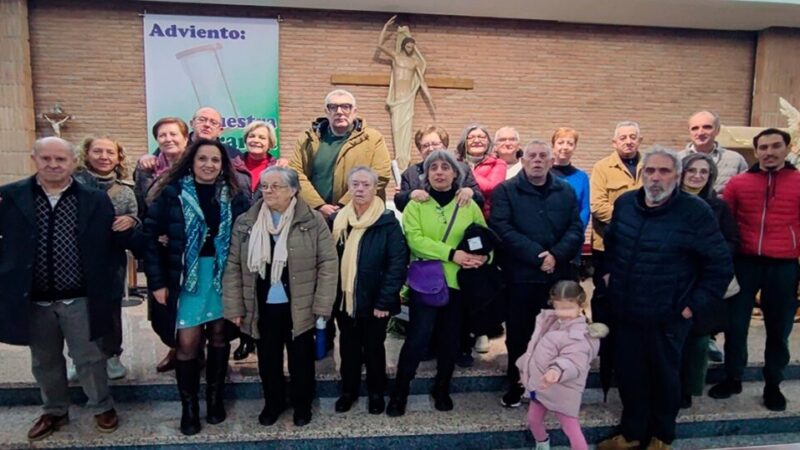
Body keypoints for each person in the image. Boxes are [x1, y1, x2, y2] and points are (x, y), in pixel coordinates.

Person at [597, 146, 733, 450]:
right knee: (630, 376)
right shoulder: (626, 203)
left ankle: (661, 437)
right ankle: (631, 434)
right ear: (643, 173)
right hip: (627, 310)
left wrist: (691, 307)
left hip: (669, 315)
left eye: (664, 171)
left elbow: (720, 266)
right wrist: (607, 277)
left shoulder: (695, 212)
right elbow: (613, 245)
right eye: (650, 170)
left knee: (665, 379)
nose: (656, 178)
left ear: (678, 175)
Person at [0, 137, 132, 441]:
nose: (53, 165)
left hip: (79, 296)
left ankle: (102, 405)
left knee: (89, 357)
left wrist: (133, 226)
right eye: (46, 158)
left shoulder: (93, 198)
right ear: (34, 159)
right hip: (34, 299)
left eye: (60, 159)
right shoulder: (11, 197)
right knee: (44, 360)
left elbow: (111, 238)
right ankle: (54, 410)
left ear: (73, 162)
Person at [143, 139, 250, 435]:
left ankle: (215, 400)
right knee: (187, 344)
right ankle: (188, 407)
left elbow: (247, 237)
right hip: (184, 277)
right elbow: (150, 238)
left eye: (215, 160)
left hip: (222, 276)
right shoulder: (172, 193)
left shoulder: (236, 195)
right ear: (191, 161)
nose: (209, 165)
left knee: (219, 337)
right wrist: (157, 283)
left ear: (223, 164)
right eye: (202, 158)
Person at [222, 166, 338, 427]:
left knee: (301, 359)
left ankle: (302, 404)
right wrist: (234, 306)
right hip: (262, 305)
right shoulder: (246, 221)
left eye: (276, 186)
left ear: (294, 190)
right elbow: (233, 267)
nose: (269, 191)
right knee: (268, 358)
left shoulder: (312, 220)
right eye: (264, 186)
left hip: (301, 303)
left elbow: (328, 263)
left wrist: (322, 305)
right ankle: (273, 402)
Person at [387, 150, 489, 417]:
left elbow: (484, 237)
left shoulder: (468, 204)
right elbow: (415, 240)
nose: (440, 172)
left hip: (459, 284)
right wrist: (452, 254)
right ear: (426, 174)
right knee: (418, 339)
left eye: (446, 167)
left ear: (456, 173)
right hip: (427, 284)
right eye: (434, 168)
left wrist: (482, 258)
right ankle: (400, 391)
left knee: (450, 340)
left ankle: (442, 388)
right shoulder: (416, 205)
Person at [708, 128, 800, 412]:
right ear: (756, 150)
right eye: (763, 147)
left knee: (779, 328)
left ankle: (773, 383)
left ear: (787, 148)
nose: (769, 152)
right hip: (745, 262)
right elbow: (726, 224)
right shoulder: (739, 183)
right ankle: (733, 376)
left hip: (784, 264)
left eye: (775, 146)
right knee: (736, 326)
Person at [489, 140, 584, 408]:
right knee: (520, 334)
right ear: (523, 160)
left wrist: (556, 255)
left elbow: (576, 228)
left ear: (551, 161)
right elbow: (501, 227)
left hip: (558, 275)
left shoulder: (564, 191)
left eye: (544, 156)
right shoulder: (505, 191)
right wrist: (537, 255)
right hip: (520, 276)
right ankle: (518, 384)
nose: (538, 160)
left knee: (556, 334)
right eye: (532, 156)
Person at [331, 167, 408, 414]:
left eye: (366, 184)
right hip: (345, 300)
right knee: (348, 347)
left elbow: (397, 263)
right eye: (355, 184)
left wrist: (384, 301)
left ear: (376, 188)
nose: (360, 189)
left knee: (374, 348)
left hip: (376, 301)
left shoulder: (387, 222)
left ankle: (376, 392)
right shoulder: (339, 220)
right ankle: (349, 391)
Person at [73, 135, 139, 381]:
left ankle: (112, 355)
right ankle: (79, 357)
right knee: (78, 310)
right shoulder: (73, 185)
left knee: (111, 308)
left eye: (110, 152)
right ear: (87, 154)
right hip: (76, 259)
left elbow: (136, 215)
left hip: (111, 259)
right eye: (98, 151)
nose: (104, 157)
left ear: (118, 157)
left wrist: (132, 220)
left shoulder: (125, 190)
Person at [677, 153, 739, 409]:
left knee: (698, 339)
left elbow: (731, 241)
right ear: (681, 172)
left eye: (704, 172)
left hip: (703, 282)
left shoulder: (718, 207)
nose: (697, 176)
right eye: (692, 170)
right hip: (673, 279)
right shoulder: (668, 203)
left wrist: (709, 254)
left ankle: (688, 389)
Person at [516, 281, 607, 450]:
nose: (563, 312)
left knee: (571, 428)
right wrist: (525, 371)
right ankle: (542, 444)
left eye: (568, 308)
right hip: (541, 385)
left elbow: (572, 361)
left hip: (563, 391)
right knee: (533, 420)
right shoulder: (551, 322)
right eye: (559, 307)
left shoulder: (578, 335)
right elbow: (534, 350)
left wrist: (556, 371)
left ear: (581, 305)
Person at [290, 89, 392, 220]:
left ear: (354, 111)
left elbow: (381, 174)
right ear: (327, 111)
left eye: (346, 106)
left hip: (360, 215)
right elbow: (295, 173)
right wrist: (319, 205)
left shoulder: (372, 139)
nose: (339, 111)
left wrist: (344, 204)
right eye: (333, 107)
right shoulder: (307, 139)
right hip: (316, 217)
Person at [232, 120, 288, 361]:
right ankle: (246, 338)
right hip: (242, 234)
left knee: (264, 286)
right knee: (246, 287)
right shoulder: (232, 167)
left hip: (271, 236)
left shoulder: (281, 168)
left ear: (270, 143)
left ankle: (264, 336)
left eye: (262, 137)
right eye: (252, 136)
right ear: (245, 139)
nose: (256, 140)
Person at [138, 107, 252, 197]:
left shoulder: (231, 153)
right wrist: (146, 159)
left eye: (213, 122)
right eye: (202, 120)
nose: (207, 125)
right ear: (192, 123)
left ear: (220, 130)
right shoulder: (176, 147)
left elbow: (241, 186)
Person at [377, 15, 435, 169]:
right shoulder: (396, 57)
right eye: (408, 46)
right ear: (403, 46)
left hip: (408, 99)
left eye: (412, 47)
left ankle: (405, 160)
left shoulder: (415, 62)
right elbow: (379, 46)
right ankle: (400, 160)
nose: (410, 49)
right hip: (397, 101)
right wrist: (386, 27)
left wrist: (429, 99)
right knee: (397, 130)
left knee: (407, 132)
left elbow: (422, 81)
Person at [394, 125, 483, 212]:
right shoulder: (410, 173)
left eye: (435, 144)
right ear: (420, 149)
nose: (431, 148)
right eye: (425, 145)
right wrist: (410, 194)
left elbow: (480, 201)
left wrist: (471, 192)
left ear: (445, 146)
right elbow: (400, 204)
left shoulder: (462, 169)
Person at [677, 110, 748, 195]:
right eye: (695, 128)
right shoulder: (677, 159)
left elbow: (745, 193)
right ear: (689, 132)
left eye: (707, 127)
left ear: (717, 130)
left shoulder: (735, 160)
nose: (700, 133)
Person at [456, 123, 507, 218]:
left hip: (486, 218)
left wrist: (467, 168)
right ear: (464, 142)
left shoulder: (498, 163)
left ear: (488, 142)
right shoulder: (454, 163)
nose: (476, 140)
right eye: (471, 137)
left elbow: (492, 188)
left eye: (482, 137)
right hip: (458, 214)